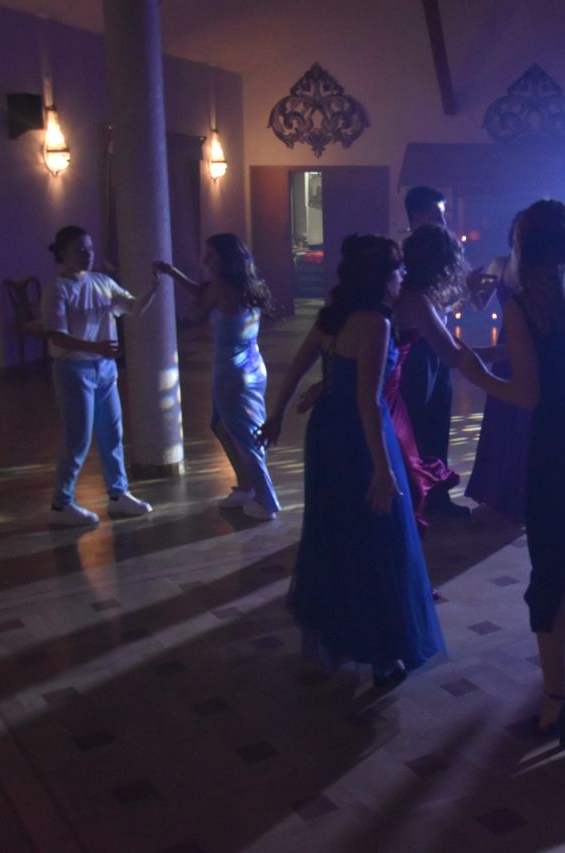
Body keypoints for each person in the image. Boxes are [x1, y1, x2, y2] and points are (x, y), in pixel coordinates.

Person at [457, 199, 565, 747]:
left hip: (556, 445)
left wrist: (477, 374)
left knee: (549, 571)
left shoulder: (522, 306)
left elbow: (527, 394)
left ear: (524, 246)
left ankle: (554, 698)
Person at [258, 235, 444, 685]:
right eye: (397, 269)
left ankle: (341, 635)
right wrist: (382, 468)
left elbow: (300, 365)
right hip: (361, 436)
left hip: (326, 432)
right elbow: (368, 400)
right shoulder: (376, 323)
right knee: (377, 536)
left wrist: (276, 414)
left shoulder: (335, 316)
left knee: (336, 530)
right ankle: (384, 653)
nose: (403, 276)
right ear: (381, 277)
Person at [153, 235, 280, 521]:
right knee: (222, 426)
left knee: (245, 436)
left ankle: (266, 500)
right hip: (253, 367)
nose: (205, 261)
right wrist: (173, 273)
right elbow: (204, 293)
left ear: (225, 257)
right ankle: (246, 487)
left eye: (211, 255)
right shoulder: (249, 284)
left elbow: (197, 312)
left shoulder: (220, 287)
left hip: (230, 372)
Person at [41, 226, 160, 526]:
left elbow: (133, 307)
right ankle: (61, 503)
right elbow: (56, 336)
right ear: (63, 253)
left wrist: (154, 286)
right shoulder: (58, 289)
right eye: (80, 250)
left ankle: (118, 495)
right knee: (78, 439)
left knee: (112, 434)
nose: (88, 255)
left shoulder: (102, 282)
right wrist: (95, 347)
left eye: (90, 249)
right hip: (73, 370)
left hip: (105, 370)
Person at [390, 225, 469, 532]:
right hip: (417, 364)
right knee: (420, 435)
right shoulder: (415, 295)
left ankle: (436, 497)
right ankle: (419, 503)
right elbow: (450, 352)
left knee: (436, 430)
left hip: (429, 360)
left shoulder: (424, 291)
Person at [464, 212, 530, 521]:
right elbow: (480, 304)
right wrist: (471, 287)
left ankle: (523, 494)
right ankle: (497, 494)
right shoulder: (500, 264)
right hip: (507, 341)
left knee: (526, 420)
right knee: (502, 417)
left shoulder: (540, 267)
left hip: (533, 344)